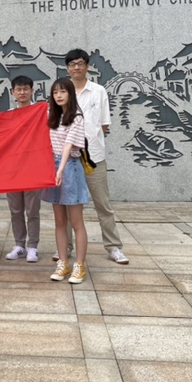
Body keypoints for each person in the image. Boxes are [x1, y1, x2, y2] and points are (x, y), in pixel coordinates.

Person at [65, 48, 129, 265]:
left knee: (103, 204)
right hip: (69, 158)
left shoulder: (99, 91)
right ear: (67, 68)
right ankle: (66, 247)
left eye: (80, 63)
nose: (76, 67)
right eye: (72, 64)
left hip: (94, 156)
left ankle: (113, 247)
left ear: (87, 66)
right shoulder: (62, 91)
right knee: (68, 204)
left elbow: (104, 124)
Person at [41, 78, 90, 284]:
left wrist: (60, 169)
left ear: (70, 93)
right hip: (53, 166)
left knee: (76, 221)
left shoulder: (76, 116)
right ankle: (63, 263)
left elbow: (69, 145)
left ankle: (79, 264)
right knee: (59, 221)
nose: (58, 96)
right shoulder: (51, 115)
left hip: (70, 167)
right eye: (55, 92)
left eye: (62, 91)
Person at [5, 76, 42, 263]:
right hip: (12, 169)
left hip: (32, 168)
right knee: (15, 210)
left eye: (26, 89)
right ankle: (19, 244)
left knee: (32, 210)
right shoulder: (8, 115)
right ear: (13, 92)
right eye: (18, 89)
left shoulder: (40, 112)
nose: (22, 92)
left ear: (32, 91)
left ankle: (32, 246)